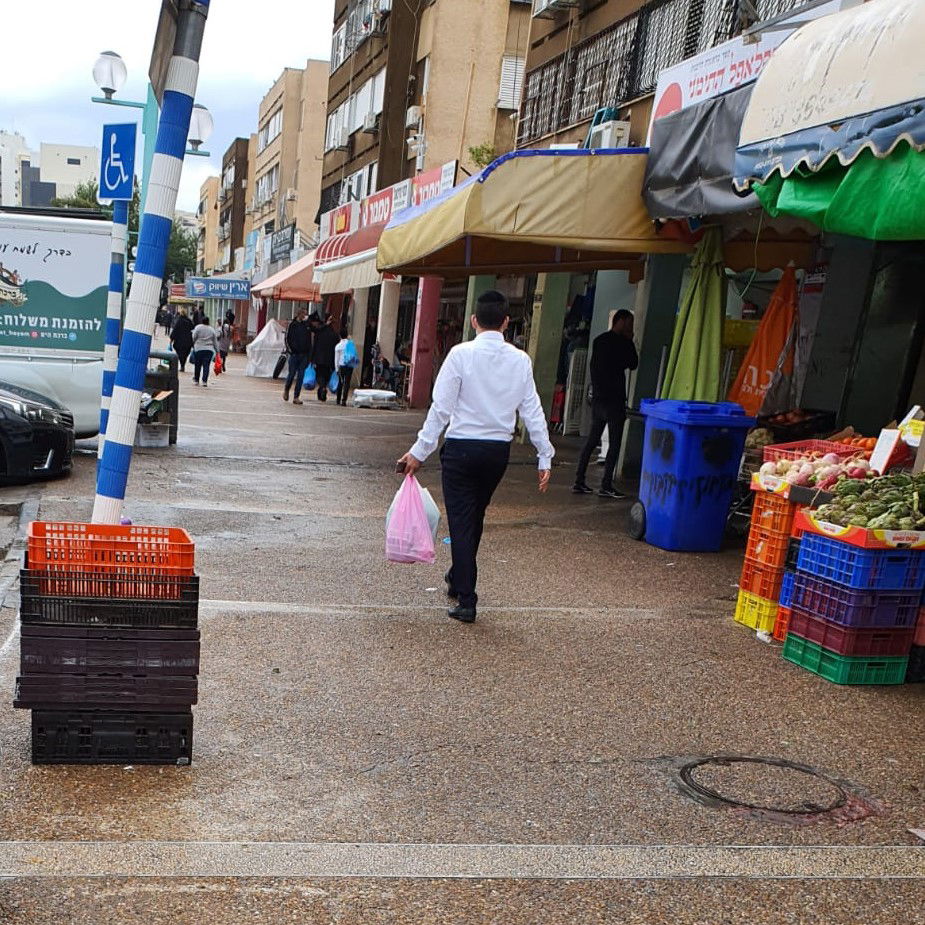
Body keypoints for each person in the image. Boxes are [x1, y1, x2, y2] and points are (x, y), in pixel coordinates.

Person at [397, 290, 554, 625]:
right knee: (474, 516)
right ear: (507, 322)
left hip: (461, 450)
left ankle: (467, 599)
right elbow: (532, 410)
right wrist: (544, 454)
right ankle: (457, 575)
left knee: (463, 521)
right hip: (496, 453)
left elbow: (441, 409)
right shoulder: (520, 360)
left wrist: (419, 451)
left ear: (473, 320)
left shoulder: (460, 355)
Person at [573, 309, 638, 499]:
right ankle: (606, 485)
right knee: (615, 442)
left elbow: (595, 368)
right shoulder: (623, 343)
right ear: (621, 322)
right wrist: (630, 340)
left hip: (599, 399)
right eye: (629, 322)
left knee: (592, 440)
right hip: (614, 399)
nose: (631, 327)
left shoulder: (599, 341)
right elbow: (633, 363)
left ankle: (579, 480)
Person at [283, 307, 313, 405]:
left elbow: (311, 337)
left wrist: (309, 353)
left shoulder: (307, 325)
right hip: (294, 354)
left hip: (304, 355)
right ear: (299, 314)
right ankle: (287, 389)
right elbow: (287, 338)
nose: (305, 316)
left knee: (301, 376)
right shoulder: (293, 324)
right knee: (291, 374)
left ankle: (296, 396)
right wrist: (290, 350)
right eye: (304, 314)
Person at [311, 313, 339, 403]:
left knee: (320, 375)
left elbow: (314, 345)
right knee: (326, 376)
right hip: (330, 360)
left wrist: (312, 358)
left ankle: (322, 388)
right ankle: (322, 389)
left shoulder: (319, 333)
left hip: (319, 359)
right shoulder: (334, 334)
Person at [191, 315, 220, 387]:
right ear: (208, 322)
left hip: (198, 349)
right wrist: (217, 351)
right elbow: (215, 341)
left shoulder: (198, 327)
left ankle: (196, 380)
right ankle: (204, 381)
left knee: (197, 365)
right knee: (206, 365)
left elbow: (194, 337)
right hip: (209, 350)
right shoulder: (211, 329)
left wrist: (193, 344)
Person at [334, 328, 357, 406]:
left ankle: (338, 400)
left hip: (341, 366)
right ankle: (344, 400)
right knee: (347, 383)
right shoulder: (351, 343)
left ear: (340, 336)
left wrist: (336, 369)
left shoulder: (338, 346)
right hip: (349, 366)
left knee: (340, 383)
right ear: (347, 335)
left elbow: (336, 359)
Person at [169, 308, 194, 372]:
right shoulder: (189, 321)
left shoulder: (179, 321)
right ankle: (183, 364)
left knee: (180, 353)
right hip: (188, 341)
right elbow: (193, 329)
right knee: (185, 354)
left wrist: (171, 340)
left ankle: (182, 364)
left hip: (179, 341)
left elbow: (175, 330)